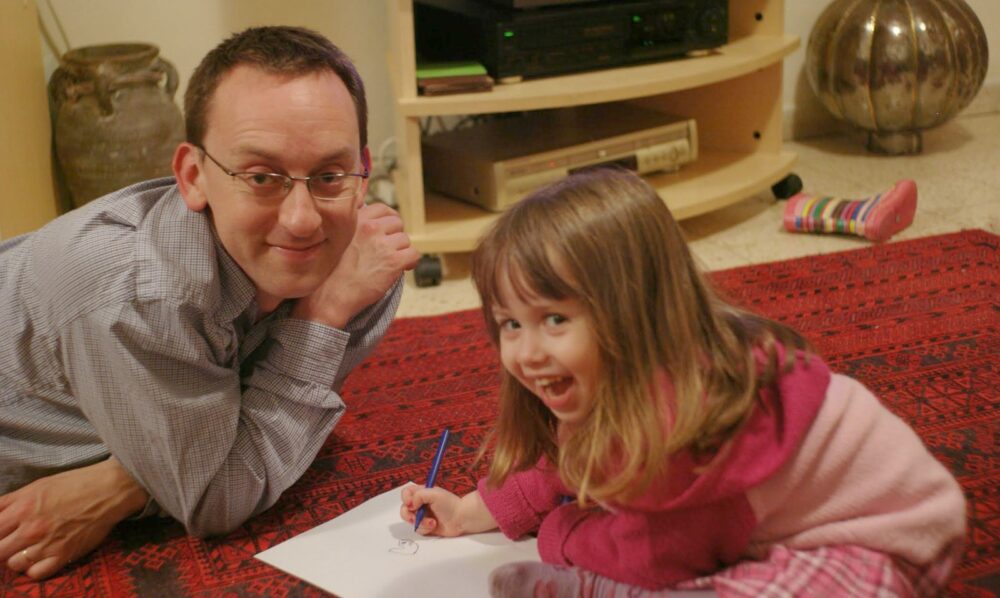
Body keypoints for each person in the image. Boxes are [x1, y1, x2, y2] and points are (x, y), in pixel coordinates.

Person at [399, 168, 966, 597]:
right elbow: (564, 461)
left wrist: (563, 537)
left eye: (554, 320)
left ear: (635, 310)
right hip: (758, 529)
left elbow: (657, 557)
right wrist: (470, 511)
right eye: (510, 325)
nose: (526, 352)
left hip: (883, 549)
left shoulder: (691, 422)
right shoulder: (615, 371)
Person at [0, 26, 419, 580]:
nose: (302, 220)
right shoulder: (141, 298)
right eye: (261, 176)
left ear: (362, 175)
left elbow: (235, 448)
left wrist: (121, 485)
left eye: (329, 175)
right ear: (193, 177)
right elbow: (218, 496)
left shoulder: (363, 262)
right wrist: (322, 316)